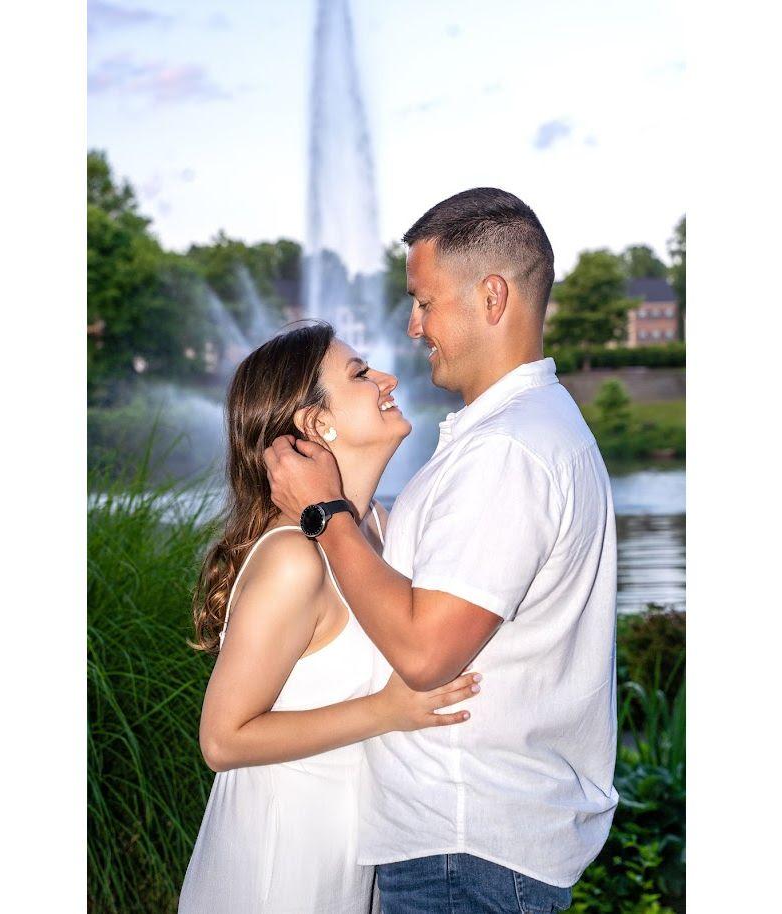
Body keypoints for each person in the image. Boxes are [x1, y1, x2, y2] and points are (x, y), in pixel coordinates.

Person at [264, 188, 619, 914]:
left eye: (424, 302)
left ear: (492, 296)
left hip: (465, 850)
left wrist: (325, 515)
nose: (414, 326)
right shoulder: (523, 431)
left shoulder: (508, 450)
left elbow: (426, 655)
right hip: (472, 847)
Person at [178, 322, 483, 914]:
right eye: (360, 374)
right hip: (277, 870)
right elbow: (221, 739)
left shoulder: (379, 529)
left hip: (353, 859)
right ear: (317, 424)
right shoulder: (293, 558)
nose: (389, 379)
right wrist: (387, 711)